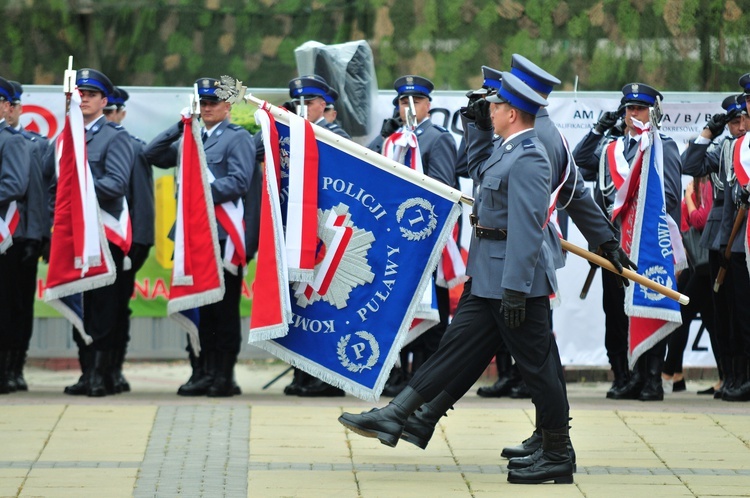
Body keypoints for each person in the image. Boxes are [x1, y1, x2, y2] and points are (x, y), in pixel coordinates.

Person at [339, 72, 575, 485]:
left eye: (496, 106)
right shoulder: (507, 149)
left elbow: (527, 229)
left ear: (514, 112)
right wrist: (478, 126)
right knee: (454, 349)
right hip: (488, 275)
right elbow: (477, 169)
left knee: (537, 367)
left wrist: (516, 290)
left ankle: (557, 451)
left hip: (513, 281)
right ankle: (400, 415)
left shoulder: (532, 155)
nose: (490, 109)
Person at [145, 77, 254, 397]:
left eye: (212, 103)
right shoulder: (189, 138)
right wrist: (180, 126)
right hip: (192, 236)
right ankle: (201, 369)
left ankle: (223, 375)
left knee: (222, 308)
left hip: (221, 236)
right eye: (202, 103)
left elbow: (238, 182)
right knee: (198, 305)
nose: (206, 108)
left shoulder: (237, 139)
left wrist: (198, 190)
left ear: (228, 106)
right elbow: (152, 154)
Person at [574, 82, 683, 401]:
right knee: (616, 312)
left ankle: (650, 378)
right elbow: (581, 160)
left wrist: (635, 208)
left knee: (647, 310)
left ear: (652, 113)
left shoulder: (663, 146)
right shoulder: (610, 149)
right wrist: (597, 130)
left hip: (646, 246)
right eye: (628, 108)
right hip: (614, 246)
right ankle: (624, 375)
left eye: (638, 108)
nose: (632, 114)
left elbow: (672, 197)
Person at [367, 74, 459, 397]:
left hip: (425, 239)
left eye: (415, 101)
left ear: (428, 105)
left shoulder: (437, 138)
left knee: (430, 311)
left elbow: (444, 188)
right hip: (398, 243)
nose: (408, 107)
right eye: (403, 102)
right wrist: (381, 139)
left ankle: (425, 377)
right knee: (398, 306)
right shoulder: (393, 139)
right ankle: (398, 373)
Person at [47, 69, 134, 397]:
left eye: (90, 94)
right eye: (79, 93)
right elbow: (54, 188)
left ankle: (102, 373)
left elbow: (116, 184)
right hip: (71, 233)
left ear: (104, 101)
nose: (83, 98)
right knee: (78, 298)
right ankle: (86, 372)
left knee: (102, 305)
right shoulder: (64, 138)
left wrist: (82, 184)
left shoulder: (115, 136)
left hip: (102, 232)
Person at [281, 75, 350, 398]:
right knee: (299, 306)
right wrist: (279, 119)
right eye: (298, 102)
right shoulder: (290, 133)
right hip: (297, 231)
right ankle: (302, 373)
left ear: (324, 104)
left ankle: (326, 377)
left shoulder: (335, 135)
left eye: (308, 102)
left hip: (327, 233)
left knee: (322, 305)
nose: (303, 108)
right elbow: (257, 149)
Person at [680, 94, 746, 397]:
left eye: (744, 119)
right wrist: (710, 132)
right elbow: (689, 163)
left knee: (741, 311)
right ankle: (731, 375)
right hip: (722, 236)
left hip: (740, 234)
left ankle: (742, 376)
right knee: (724, 313)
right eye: (734, 121)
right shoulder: (724, 147)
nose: (740, 126)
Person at [102, 86, 154, 393]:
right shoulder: (81, 144)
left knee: (117, 307)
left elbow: (142, 201)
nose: (108, 118)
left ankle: (112, 370)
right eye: (104, 112)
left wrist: (140, 242)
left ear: (121, 113)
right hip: (92, 242)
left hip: (123, 244)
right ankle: (91, 370)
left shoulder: (132, 148)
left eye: (112, 112)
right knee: (91, 306)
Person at [2, 81, 46, 392]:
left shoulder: (17, 141)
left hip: (14, 236)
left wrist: (37, 235)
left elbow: (20, 189)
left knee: (13, 305)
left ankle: (12, 367)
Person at [663, 176, 714, 391]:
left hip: (704, 265)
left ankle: (667, 373)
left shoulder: (706, 187)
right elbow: (685, 224)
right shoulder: (695, 189)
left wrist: (689, 198)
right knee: (712, 321)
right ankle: (676, 375)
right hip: (695, 263)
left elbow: (700, 220)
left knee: (683, 317)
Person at [719, 73, 750, 402]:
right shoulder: (741, 148)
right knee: (743, 315)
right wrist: (727, 243)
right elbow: (734, 198)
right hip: (745, 241)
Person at [0, 76, 31, 394]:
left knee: (7, 307)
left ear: (7, 107)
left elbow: (14, 185)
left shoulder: (11, 140)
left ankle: (7, 370)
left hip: (6, 238)